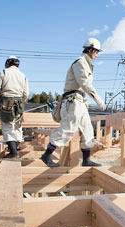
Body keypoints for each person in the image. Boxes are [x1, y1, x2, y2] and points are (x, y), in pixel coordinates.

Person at [41, 38, 106, 167]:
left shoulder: (87, 64)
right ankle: (47, 155)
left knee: (87, 130)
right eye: (96, 52)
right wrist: (97, 99)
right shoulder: (80, 62)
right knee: (67, 129)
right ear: (90, 49)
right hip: (73, 101)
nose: (97, 54)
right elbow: (85, 83)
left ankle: (86, 160)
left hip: (81, 101)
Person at [0, 56, 29, 158]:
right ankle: (14, 148)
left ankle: (13, 152)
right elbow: (26, 93)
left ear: (8, 63)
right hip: (19, 102)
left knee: (7, 126)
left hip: (6, 102)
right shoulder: (23, 75)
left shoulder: (3, 73)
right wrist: (22, 101)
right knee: (17, 126)